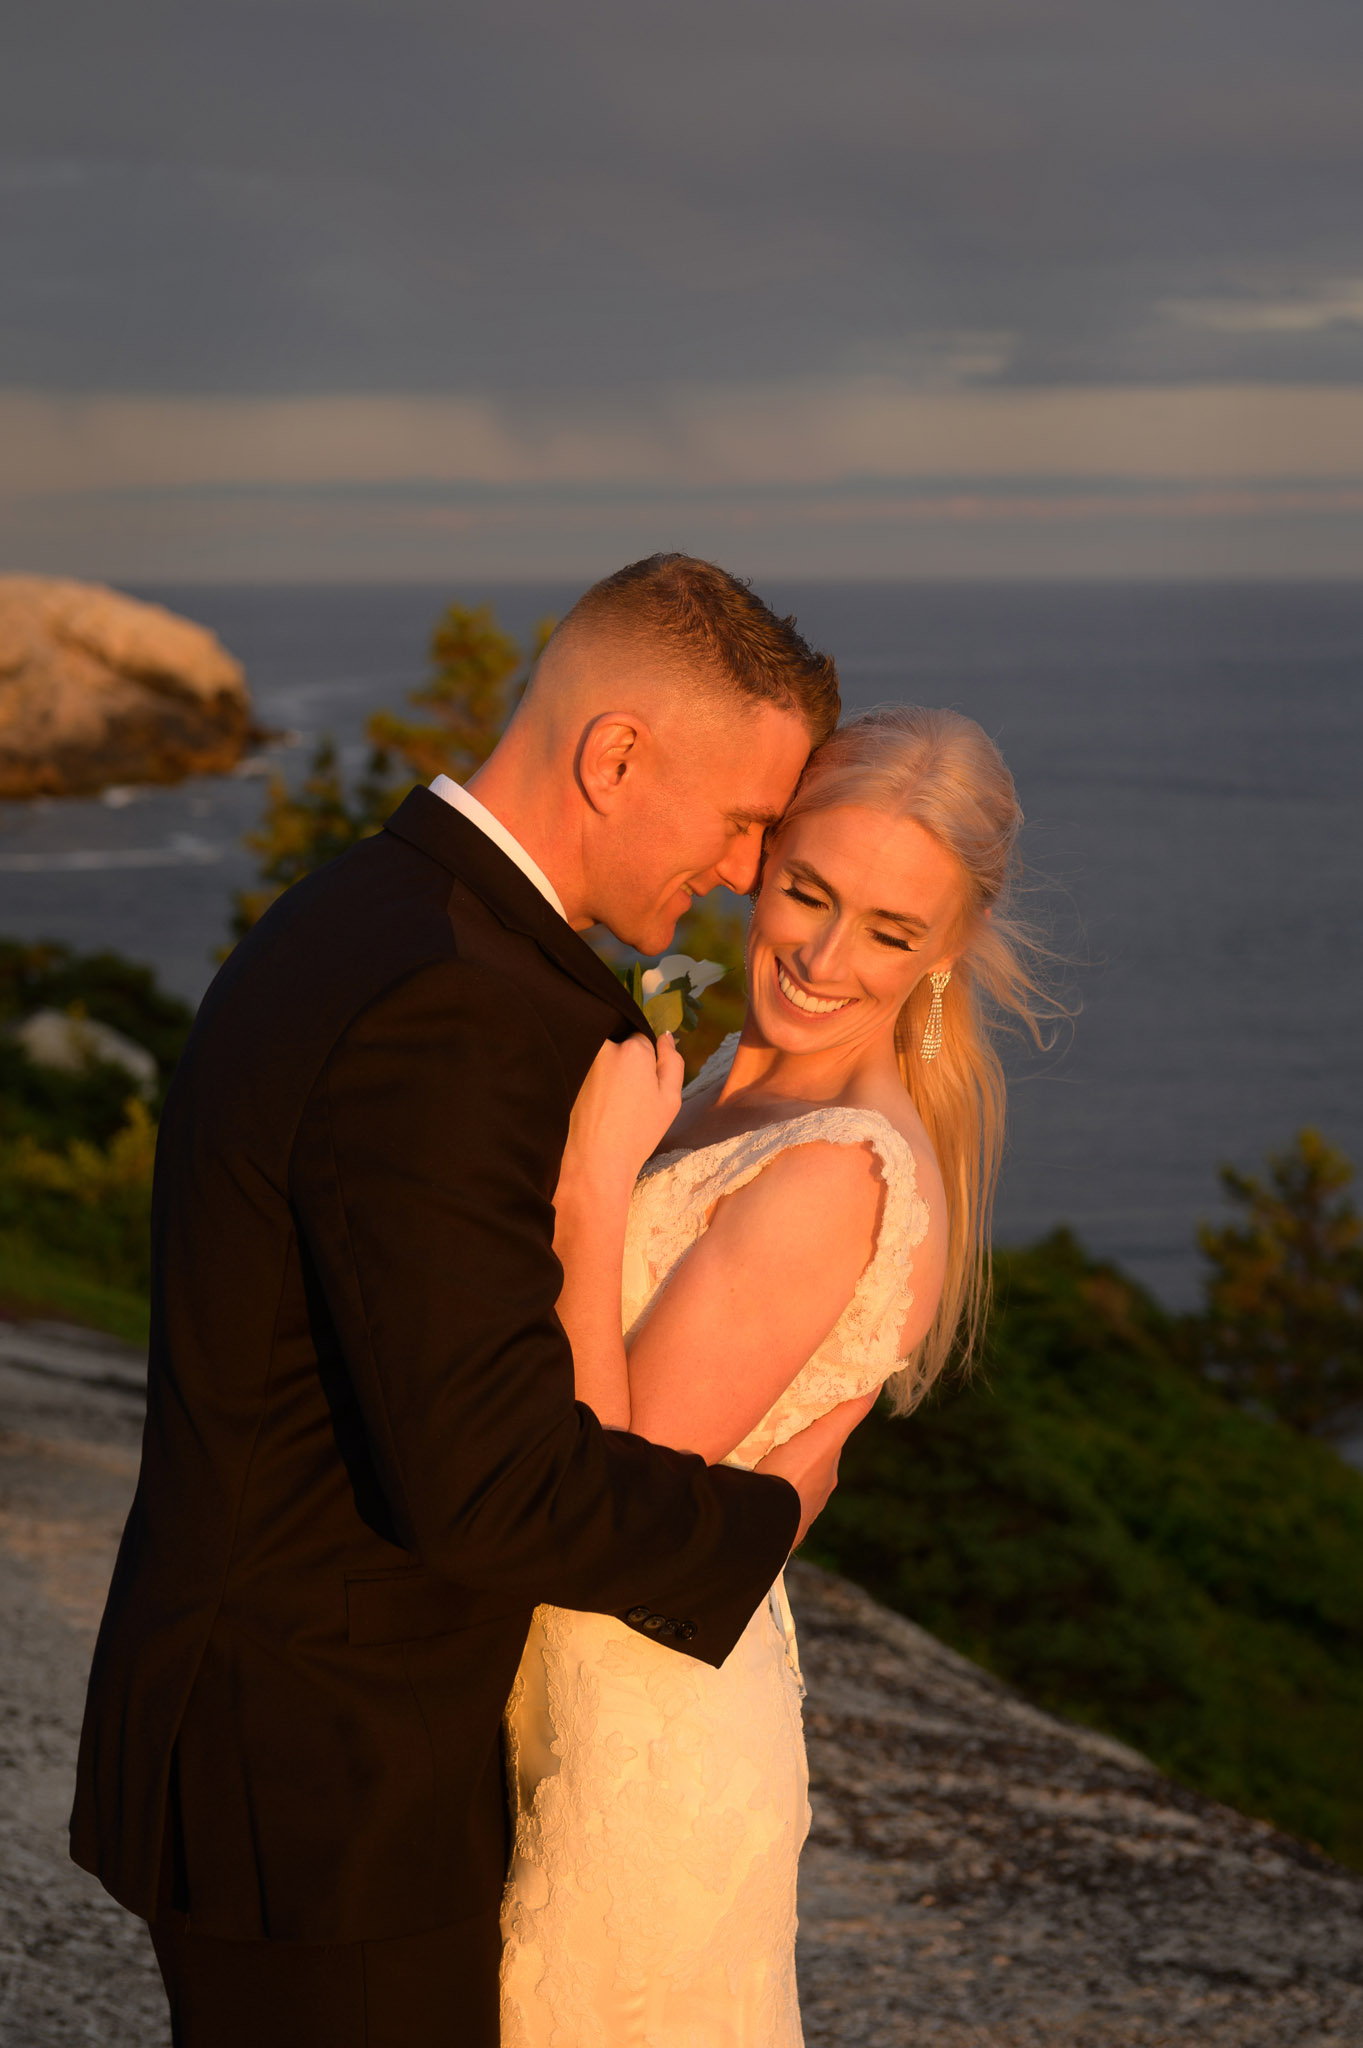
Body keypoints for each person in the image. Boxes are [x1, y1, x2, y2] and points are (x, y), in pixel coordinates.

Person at [69, 554, 859, 2048]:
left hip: (275, 1749)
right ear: (615, 755)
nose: (743, 873)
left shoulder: (369, 912)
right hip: (329, 1790)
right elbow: (486, 1485)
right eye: (743, 819)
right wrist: (758, 1519)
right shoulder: (461, 1005)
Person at [501, 703, 1049, 2046]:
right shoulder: (733, 1086)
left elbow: (617, 1500)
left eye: (890, 932)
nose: (821, 957)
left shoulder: (833, 1169)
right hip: (566, 1689)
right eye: (809, 893)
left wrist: (587, 1192)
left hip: (636, 1748)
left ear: (950, 947)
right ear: (760, 860)